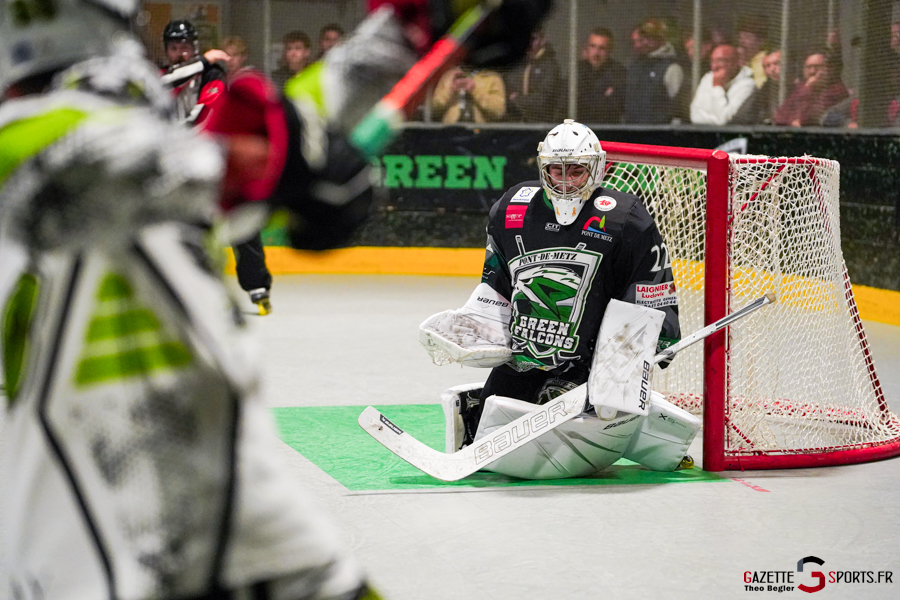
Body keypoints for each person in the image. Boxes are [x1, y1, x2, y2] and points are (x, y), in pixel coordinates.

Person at [418, 120, 696, 480]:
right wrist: (477, 324)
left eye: (576, 171)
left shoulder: (624, 218)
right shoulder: (512, 209)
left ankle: (649, 431)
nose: (565, 181)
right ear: (542, 168)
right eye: (556, 170)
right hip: (525, 359)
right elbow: (496, 281)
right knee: (489, 431)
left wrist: (640, 352)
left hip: (589, 366)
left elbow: (650, 287)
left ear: (596, 168)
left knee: (564, 436)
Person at [160, 19, 228, 125]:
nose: (179, 54)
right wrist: (204, 61)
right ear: (166, 51)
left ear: (195, 49)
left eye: (184, 48)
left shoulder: (212, 74)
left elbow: (205, 115)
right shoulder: (161, 73)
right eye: (173, 48)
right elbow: (163, 83)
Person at [625, 18, 686, 124]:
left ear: (661, 38)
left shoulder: (672, 68)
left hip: (659, 130)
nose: (646, 42)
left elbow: (678, 107)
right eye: (644, 37)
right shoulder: (635, 66)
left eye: (651, 37)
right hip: (632, 128)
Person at [773, 50, 848, 127]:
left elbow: (807, 120)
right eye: (808, 67)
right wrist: (792, 122)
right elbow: (779, 117)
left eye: (818, 67)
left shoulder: (835, 89)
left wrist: (808, 88)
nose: (812, 71)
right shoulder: (802, 87)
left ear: (828, 69)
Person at [502, 29, 561, 122]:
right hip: (514, 122)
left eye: (533, 39)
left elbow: (542, 100)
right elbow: (505, 93)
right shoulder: (515, 64)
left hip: (540, 122)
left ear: (542, 40)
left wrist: (517, 99)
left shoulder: (550, 66)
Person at [689, 44, 756, 125]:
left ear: (735, 62)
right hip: (703, 131)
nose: (714, 66)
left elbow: (725, 120)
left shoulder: (747, 84)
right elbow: (695, 116)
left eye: (720, 61)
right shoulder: (708, 78)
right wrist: (717, 120)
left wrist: (717, 87)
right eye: (712, 61)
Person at [576, 27, 626, 124]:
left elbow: (612, 108)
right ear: (586, 48)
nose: (596, 53)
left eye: (602, 48)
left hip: (606, 128)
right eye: (592, 46)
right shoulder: (578, 70)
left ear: (609, 51)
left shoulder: (618, 73)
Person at [431, 65, 506, 123]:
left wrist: (474, 91)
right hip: (451, 130)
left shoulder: (491, 78)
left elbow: (498, 111)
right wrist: (451, 92)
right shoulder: (449, 76)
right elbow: (434, 109)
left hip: (481, 131)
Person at [732, 49, 781, 125]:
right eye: (767, 66)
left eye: (777, 63)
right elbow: (741, 117)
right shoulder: (764, 90)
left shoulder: (798, 88)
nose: (772, 69)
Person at [736, 17, 768, 88]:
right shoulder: (743, 58)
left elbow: (758, 87)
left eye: (747, 37)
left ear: (760, 41)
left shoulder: (762, 61)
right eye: (740, 37)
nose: (742, 41)